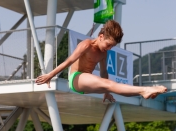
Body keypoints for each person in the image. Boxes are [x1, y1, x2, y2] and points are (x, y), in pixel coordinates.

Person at [36, 20, 167, 102]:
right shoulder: (86, 45)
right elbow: (69, 61)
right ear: (100, 36)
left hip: (85, 84)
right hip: (75, 79)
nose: (109, 48)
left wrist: (106, 93)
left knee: (112, 87)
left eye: (112, 46)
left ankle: (142, 93)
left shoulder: (104, 54)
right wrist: (50, 75)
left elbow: (104, 72)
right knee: (109, 84)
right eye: (108, 44)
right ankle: (144, 90)